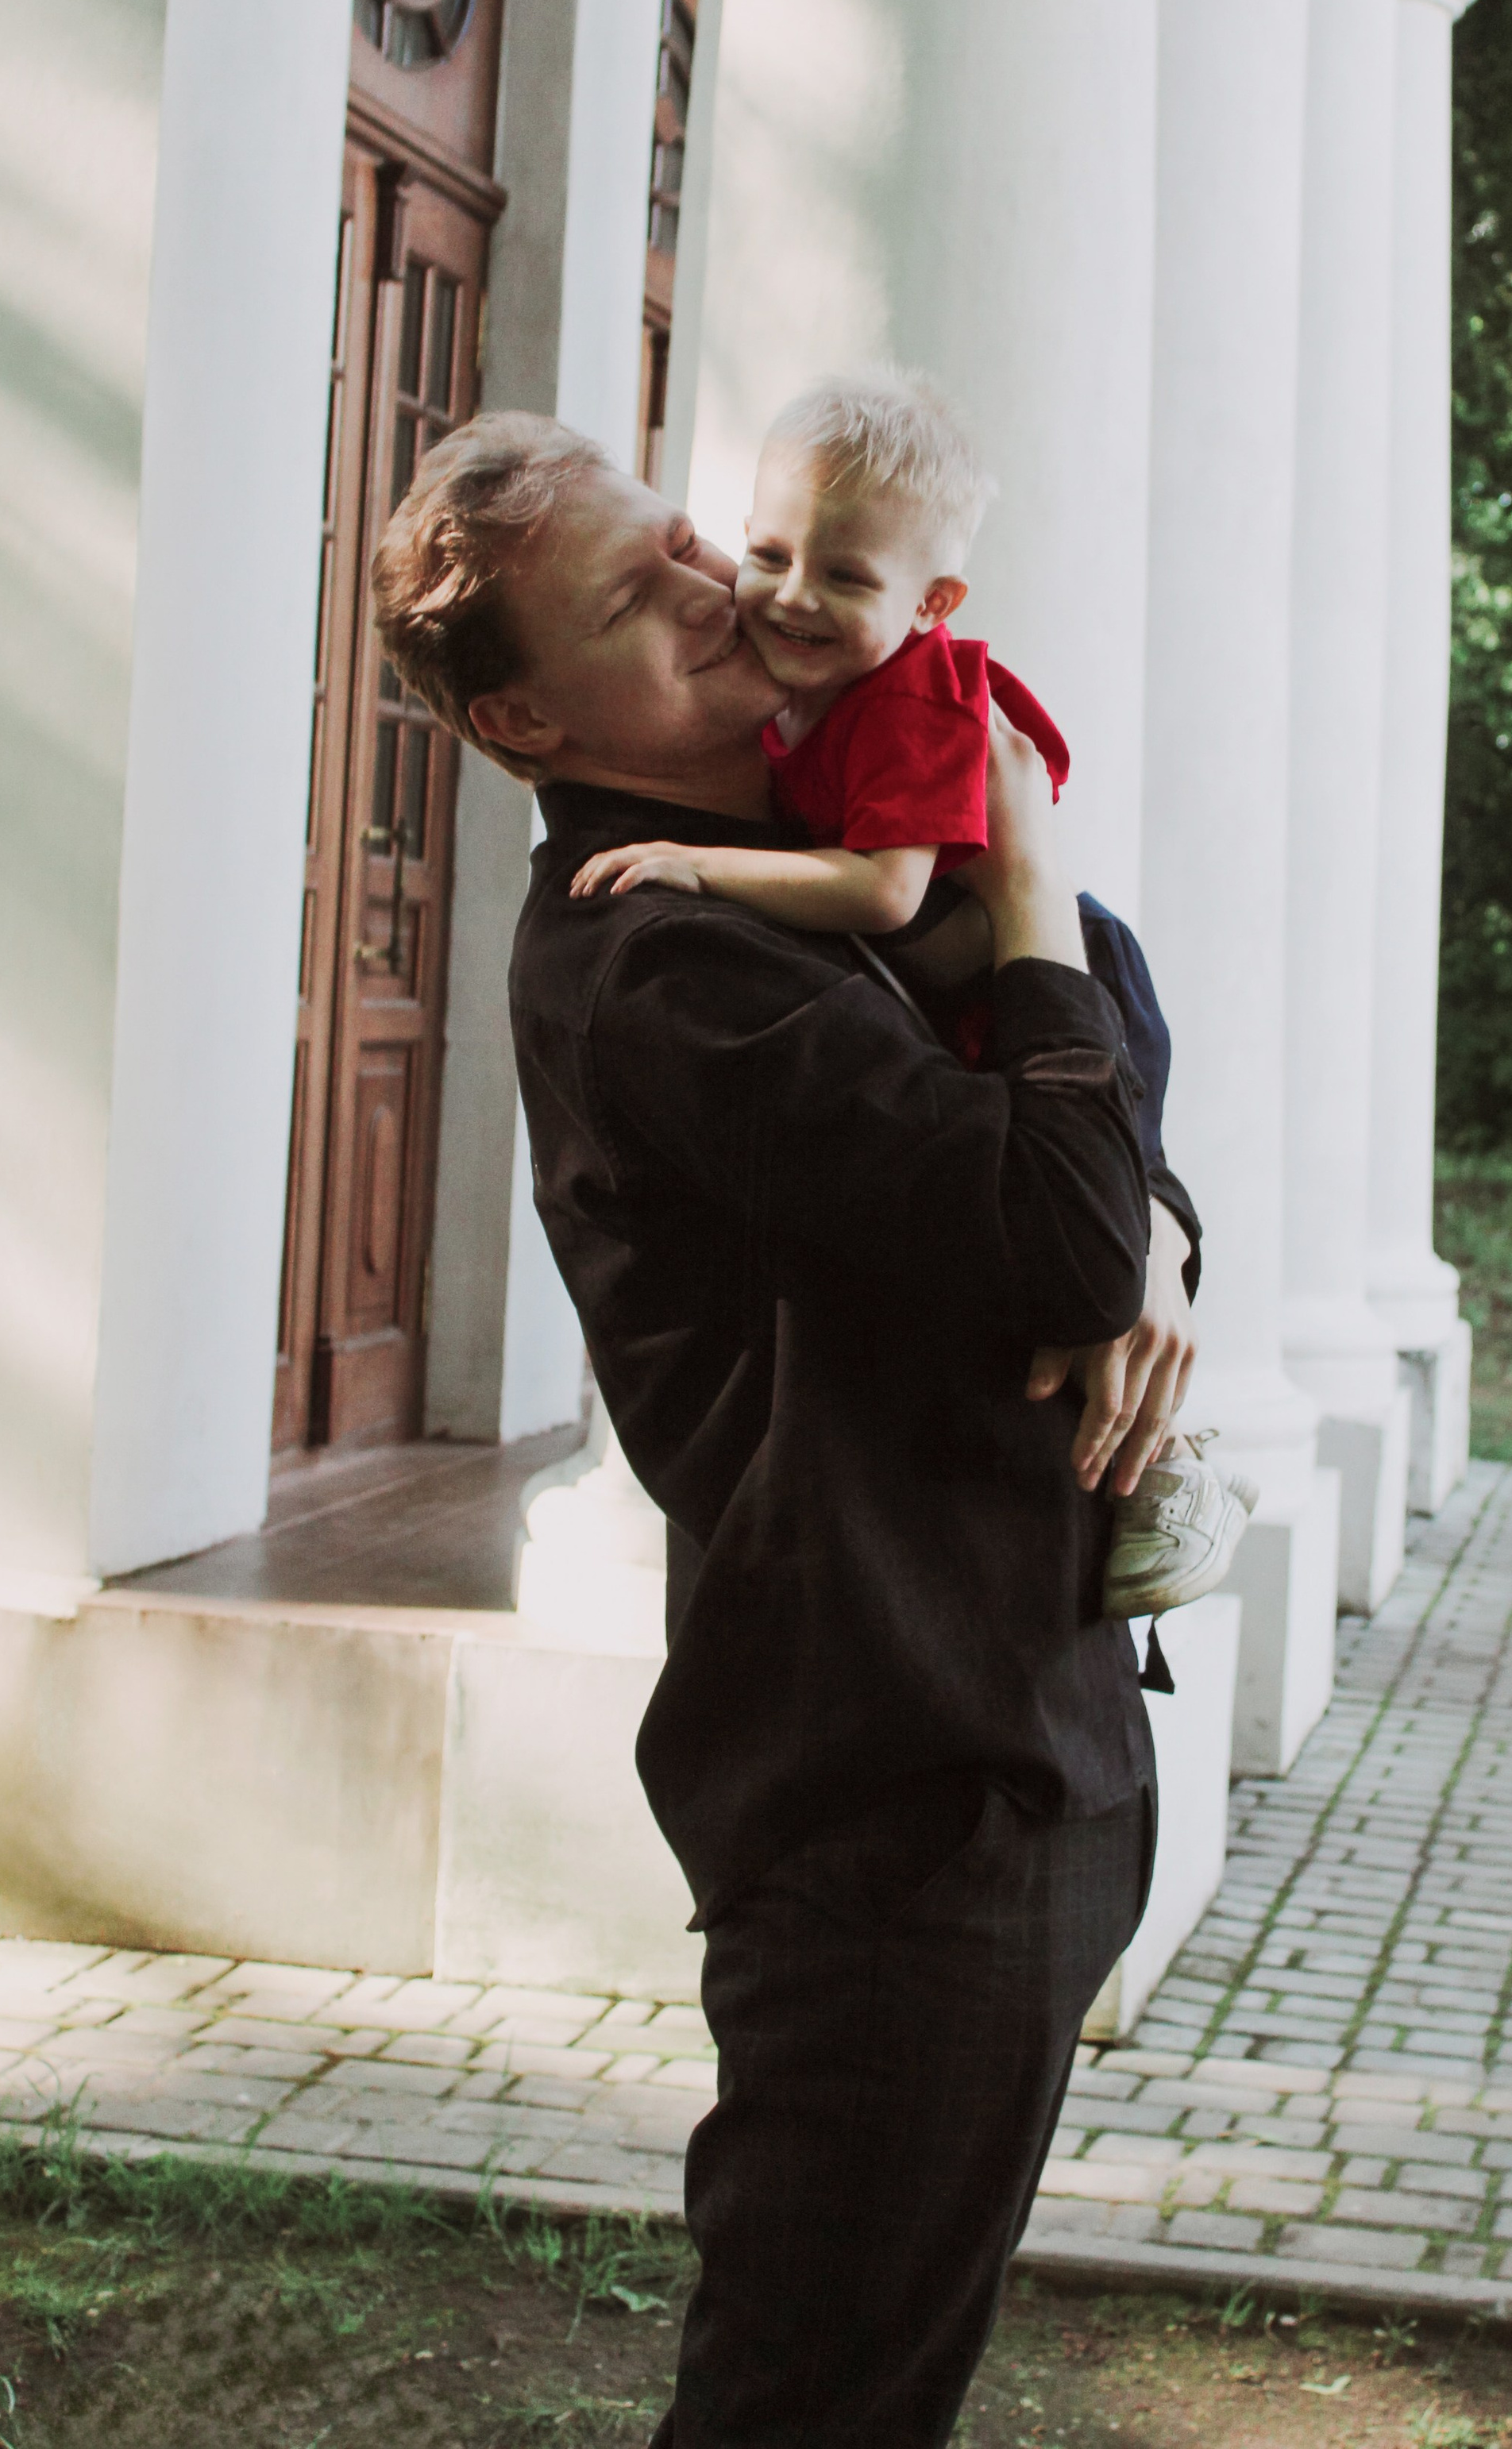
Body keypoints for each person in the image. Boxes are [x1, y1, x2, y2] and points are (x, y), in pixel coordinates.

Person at [368, 408, 1203, 2449]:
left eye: (688, 540)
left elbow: (1105, 1032)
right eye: (637, 600)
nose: (716, 587)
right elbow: (1048, 1200)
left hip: (1012, 1736)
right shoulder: (662, 952)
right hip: (896, 1801)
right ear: (522, 726)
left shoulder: (815, 852)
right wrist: (1029, 876)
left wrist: (1156, 1240)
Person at [565, 365, 1253, 1623]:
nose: (784, 594)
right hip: (974, 996)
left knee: (1086, 1244)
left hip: (1029, 993)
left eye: (845, 577)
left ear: (933, 601)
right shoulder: (807, 696)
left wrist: (697, 865)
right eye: (767, 552)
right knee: (1079, 1256)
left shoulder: (922, 698)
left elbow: (886, 894)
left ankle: (1174, 1476)